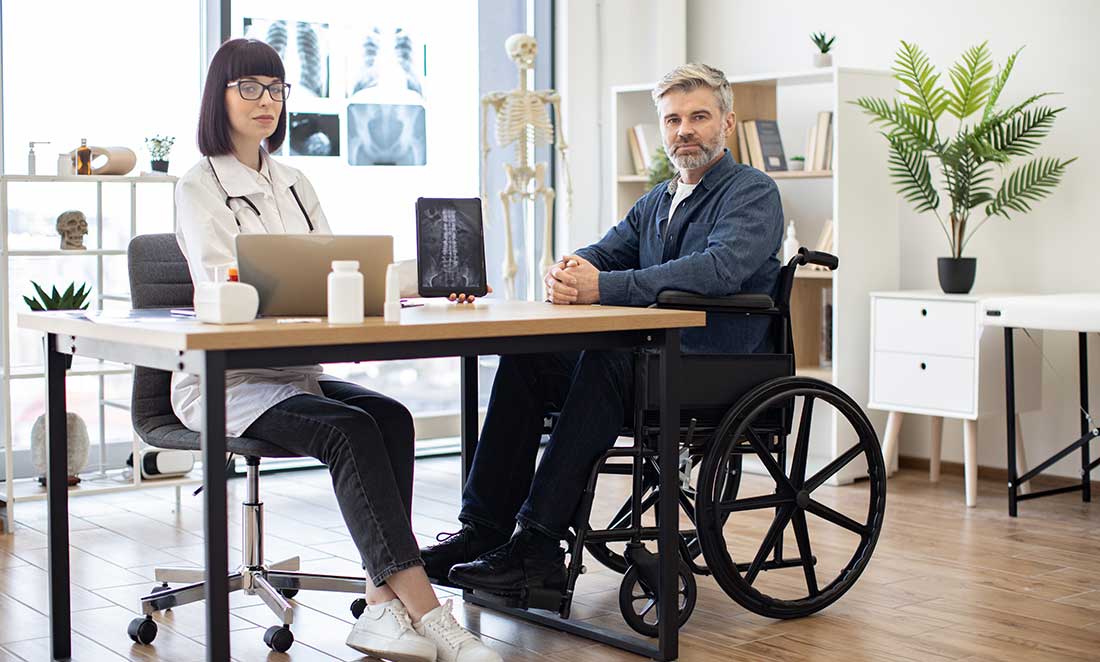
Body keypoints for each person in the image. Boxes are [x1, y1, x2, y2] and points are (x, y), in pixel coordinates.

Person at [173, 38, 499, 662]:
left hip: (297, 374)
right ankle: (428, 612)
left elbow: (338, 272)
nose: (265, 100)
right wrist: (295, 290)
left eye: (276, 88)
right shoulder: (200, 185)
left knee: (392, 419)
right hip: (229, 384)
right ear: (219, 96)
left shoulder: (295, 182)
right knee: (349, 429)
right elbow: (226, 285)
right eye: (249, 88)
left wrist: (430, 278)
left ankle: (380, 605)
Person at [423, 63, 784, 597]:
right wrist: (568, 271)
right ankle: (484, 529)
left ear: (727, 124)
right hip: (654, 357)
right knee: (530, 358)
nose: (684, 130)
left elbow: (717, 270)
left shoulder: (751, 192)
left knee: (609, 360)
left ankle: (538, 547)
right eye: (673, 119)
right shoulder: (657, 200)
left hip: (714, 365)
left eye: (699, 117)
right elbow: (604, 251)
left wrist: (603, 287)